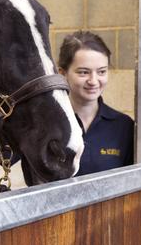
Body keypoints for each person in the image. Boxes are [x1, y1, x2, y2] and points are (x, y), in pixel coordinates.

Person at [57, 31, 134, 176]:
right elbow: (3, 152)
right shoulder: (46, 123)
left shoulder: (124, 127)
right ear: (62, 74)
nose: (93, 81)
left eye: (101, 72)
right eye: (83, 72)